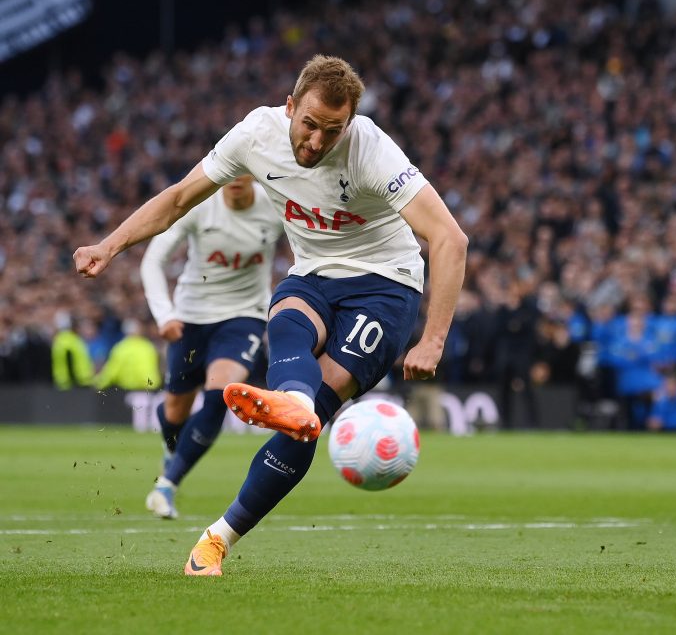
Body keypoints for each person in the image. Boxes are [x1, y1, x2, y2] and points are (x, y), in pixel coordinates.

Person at [74, 55, 468, 575]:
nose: (317, 141)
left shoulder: (370, 149)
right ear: (289, 107)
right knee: (286, 322)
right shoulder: (255, 134)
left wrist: (433, 338)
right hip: (314, 274)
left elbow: (449, 238)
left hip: (385, 286)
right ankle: (295, 403)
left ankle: (218, 537)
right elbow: (177, 200)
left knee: (308, 421)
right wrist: (110, 244)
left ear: (349, 123)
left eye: (333, 130)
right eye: (309, 124)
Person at [139, 174, 284, 520]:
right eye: (228, 172)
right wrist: (165, 315)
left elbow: (308, 245)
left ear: (254, 172)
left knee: (221, 393)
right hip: (190, 318)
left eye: (243, 171)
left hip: (244, 317)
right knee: (174, 411)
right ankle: (170, 449)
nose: (234, 179)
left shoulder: (276, 204)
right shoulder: (199, 205)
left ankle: (165, 486)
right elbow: (152, 261)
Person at [93, 318, 162, 392]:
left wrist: (98, 383)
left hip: (127, 391)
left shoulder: (121, 348)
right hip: (149, 389)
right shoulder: (148, 346)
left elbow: (112, 371)